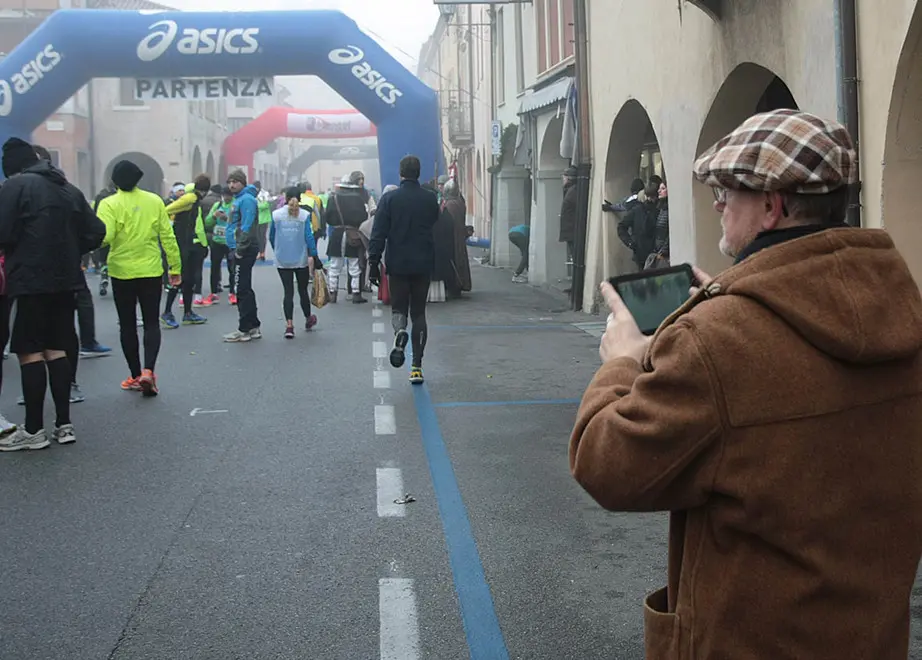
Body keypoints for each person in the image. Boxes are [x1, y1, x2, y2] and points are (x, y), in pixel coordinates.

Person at [569, 109, 922, 659]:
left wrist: (622, 361)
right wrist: (733, 303)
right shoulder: (902, 310)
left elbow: (604, 464)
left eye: (727, 193)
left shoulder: (716, 341)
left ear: (772, 205)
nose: (718, 205)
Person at [0, 138, 105, 451]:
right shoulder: (67, 188)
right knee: (56, 348)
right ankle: (64, 424)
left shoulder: (15, 187)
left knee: (29, 351)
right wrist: (71, 250)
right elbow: (96, 231)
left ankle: (34, 430)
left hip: (31, 280)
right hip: (66, 279)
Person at [97, 160, 181, 396]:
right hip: (151, 269)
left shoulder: (108, 204)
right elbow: (167, 236)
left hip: (121, 271)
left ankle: (134, 375)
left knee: (127, 324)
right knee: (151, 322)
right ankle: (148, 371)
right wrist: (175, 267)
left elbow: (106, 236)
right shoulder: (154, 201)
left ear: (114, 181)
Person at [368, 155, 440, 385]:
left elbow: (378, 233)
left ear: (400, 173)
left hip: (397, 263)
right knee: (419, 313)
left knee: (399, 308)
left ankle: (400, 332)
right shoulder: (430, 199)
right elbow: (435, 222)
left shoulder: (389, 199)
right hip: (423, 262)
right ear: (419, 173)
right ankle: (416, 367)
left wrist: (373, 263)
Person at [270, 187, 323, 338]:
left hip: (282, 259)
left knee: (288, 292)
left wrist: (277, 249)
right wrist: (314, 255)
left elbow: (272, 236)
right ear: (300, 198)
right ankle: (308, 318)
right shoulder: (304, 215)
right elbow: (309, 237)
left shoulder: (276, 215)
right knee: (302, 290)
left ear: (285, 198)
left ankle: (289, 326)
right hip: (300, 259)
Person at [162, 175, 210, 326]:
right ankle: (167, 312)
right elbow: (166, 210)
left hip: (187, 243)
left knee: (189, 280)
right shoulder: (190, 198)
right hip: (181, 243)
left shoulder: (194, 199)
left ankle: (188, 313)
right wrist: (171, 223)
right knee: (180, 278)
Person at [223, 169, 262, 343]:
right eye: (230, 182)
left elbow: (247, 225)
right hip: (238, 246)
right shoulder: (239, 199)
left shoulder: (246, 200)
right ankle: (253, 326)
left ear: (243, 183)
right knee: (245, 287)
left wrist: (239, 249)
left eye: (235, 182)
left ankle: (244, 329)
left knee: (241, 288)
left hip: (243, 248)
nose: (231, 185)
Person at [326, 172, 370, 304]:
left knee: (334, 265)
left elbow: (328, 218)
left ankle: (332, 293)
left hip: (337, 233)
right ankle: (356, 293)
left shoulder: (333, 198)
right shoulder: (358, 198)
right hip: (353, 234)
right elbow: (364, 217)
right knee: (354, 265)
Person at [204, 186, 236, 305]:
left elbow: (239, 221)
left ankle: (233, 293)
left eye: (229, 196)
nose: (226, 198)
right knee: (214, 267)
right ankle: (214, 293)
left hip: (231, 241)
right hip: (217, 240)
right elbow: (207, 223)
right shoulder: (217, 205)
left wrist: (227, 218)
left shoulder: (235, 205)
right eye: (224, 195)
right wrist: (214, 216)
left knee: (232, 268)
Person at [617, 181, 659, 270]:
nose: (650, 199)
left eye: (653, 197)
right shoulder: (637, 210)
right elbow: (621, 227)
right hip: (641, 254)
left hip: (656, 253)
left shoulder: (658, 210)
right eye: (649, 196)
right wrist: (631, 243)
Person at [441, 179, 472, 297]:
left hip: (452, 237)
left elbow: (448, 222)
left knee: (455, 260)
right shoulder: (459, 202)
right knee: (460, 259)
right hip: (459, 236)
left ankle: (456, 285)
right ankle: (460, 284)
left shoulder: (450, 205)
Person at [558, 165, 578, 284]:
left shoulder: (572, 191)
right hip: (571, 230)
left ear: (569, 178)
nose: (563, 178)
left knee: (576, 258)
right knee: (574, 257)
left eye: (564, 176)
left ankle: (576, 285)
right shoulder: (571, 190)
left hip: (573, 230)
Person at [255, 181, 272, 261]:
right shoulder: (252, 194)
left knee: (262, 237)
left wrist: (256, 206)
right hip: (256, 219)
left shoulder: (265, 194)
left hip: (264, 219)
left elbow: (266, 204)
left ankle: (262, 253)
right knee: (256, 237)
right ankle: (258, 252)